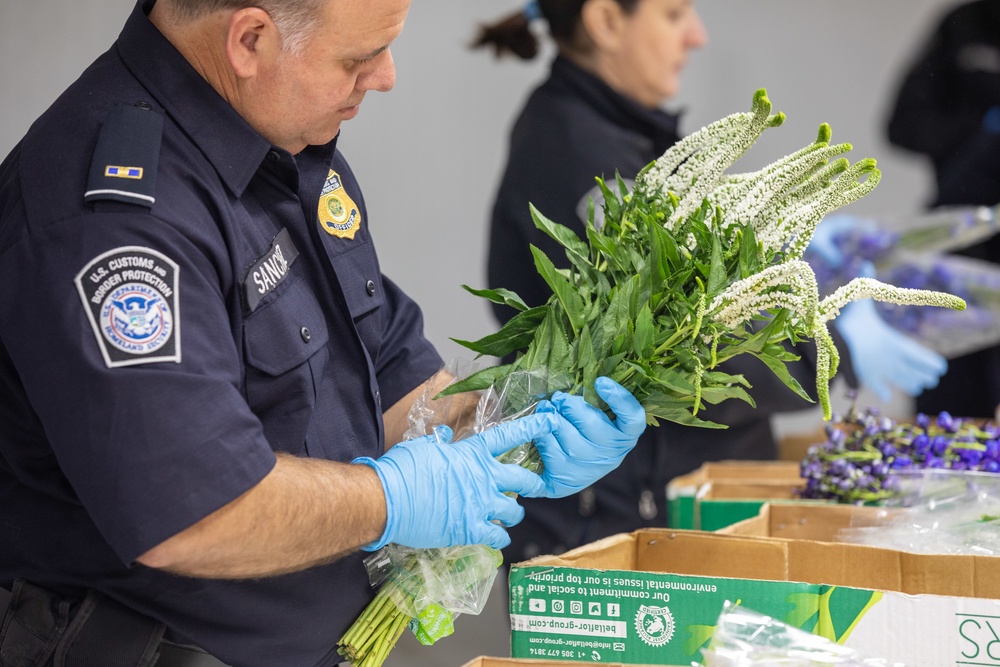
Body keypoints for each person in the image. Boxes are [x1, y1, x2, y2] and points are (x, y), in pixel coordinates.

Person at [0, 1, 649, 666]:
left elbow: (397, 378)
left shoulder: (284, 147)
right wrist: (390, 500)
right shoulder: (114, 219)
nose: (387, 76)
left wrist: (518, 428)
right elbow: (191, 510)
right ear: (250, 40)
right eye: (359, 58)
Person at [472, 0, 948, 561]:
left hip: (646, 507)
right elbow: (679, 350)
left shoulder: (620, 132)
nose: (696, 35)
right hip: (611, 528)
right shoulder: (579, 153)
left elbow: (698, 291)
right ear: (605, 21)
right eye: (673, 14)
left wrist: (797, 261)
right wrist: (830, 341)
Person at [886, 0, 1000, 418]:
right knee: (950, 411)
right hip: (961, 249)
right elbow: (902, 124)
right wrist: (978, 134)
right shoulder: (965, 25)